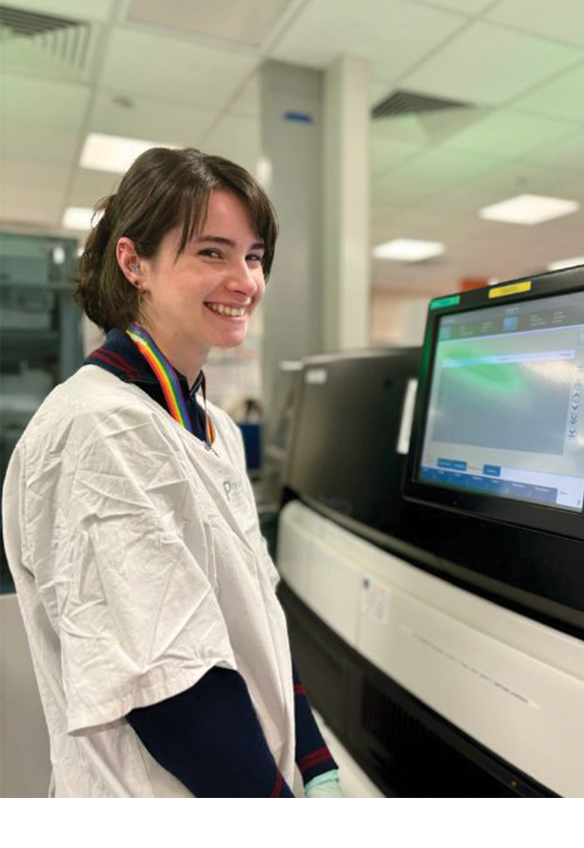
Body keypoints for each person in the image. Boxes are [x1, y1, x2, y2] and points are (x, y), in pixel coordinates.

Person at [2, 148, 342, 797]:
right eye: (212, 253)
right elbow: (169, 691)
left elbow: (260, 623)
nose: (244, 279)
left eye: (254, 255)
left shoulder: (212, 425)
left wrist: (317, 762)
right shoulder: (99, 426)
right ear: (135, 264)